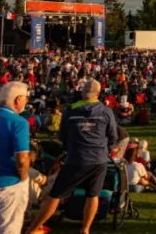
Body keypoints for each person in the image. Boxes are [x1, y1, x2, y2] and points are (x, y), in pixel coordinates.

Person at [27, 80, 117, 234]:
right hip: (98, 159)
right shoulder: (106, 111)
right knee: (93, 194)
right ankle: (85, 229)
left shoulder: (70, 111)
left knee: (55, 195)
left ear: (82, 93)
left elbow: (62, 136)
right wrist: (104, 151)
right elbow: (113, 137)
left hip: (77, 158)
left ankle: (33, 229)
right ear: (98, 93)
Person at [0, 81, 31, 234]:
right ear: (18, 99)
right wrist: (24, 179)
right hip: (8, 184)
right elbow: (22, 160)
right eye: (26, 98)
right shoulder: (18, 122)